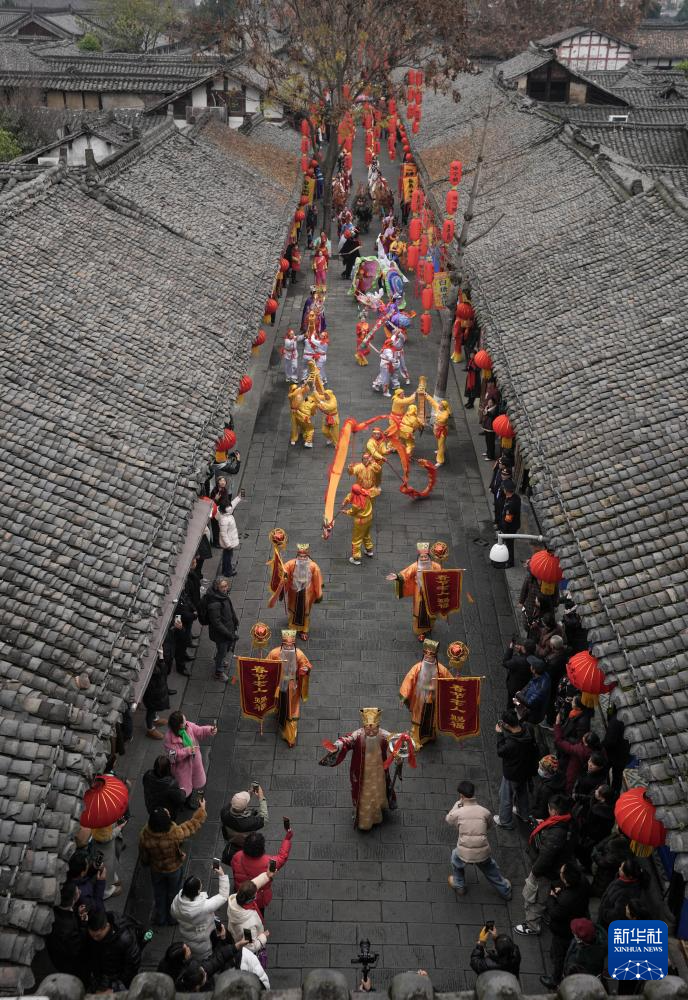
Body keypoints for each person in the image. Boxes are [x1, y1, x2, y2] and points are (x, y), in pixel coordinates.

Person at [319, 707, 398, 831]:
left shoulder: (383, 735)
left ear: (378, 727)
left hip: (379, 771)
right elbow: (347, 740)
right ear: (364, 727)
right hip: (362, 772)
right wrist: (339, 745)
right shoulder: (358, 735)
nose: (371, 732)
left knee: (378, 789)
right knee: (364, 793)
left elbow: (395, 740)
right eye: (368, 729)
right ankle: (365, 821)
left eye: (374, 729)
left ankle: (378, 810)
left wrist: (402, 744)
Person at [138, 800, 207, 926]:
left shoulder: (145, 835)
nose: (168, 812)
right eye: (167, 813)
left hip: (157, 869)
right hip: (174, 868)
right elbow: (191, 825)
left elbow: (144, 855)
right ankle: (173, 918)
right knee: (174, 893)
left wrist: (146, 863)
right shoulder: (174, 833)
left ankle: (160, 918)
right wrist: (201, 810)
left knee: (159, 893)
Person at [515, 794, 574, 937]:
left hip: (544, 871)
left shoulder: (556, 834)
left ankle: (532, 925)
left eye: (549, 808)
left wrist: (535, 872)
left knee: (534, 897)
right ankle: (544, 914)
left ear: (554, 811)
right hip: (555, 869)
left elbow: (546, 857)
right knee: (544, 894)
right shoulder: (566, 822)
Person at [446, 780, 511, 900]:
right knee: (491, 869)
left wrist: (457, 804)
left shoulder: (458, 812)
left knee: (455, 858)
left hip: (463, 852)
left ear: (461, 795)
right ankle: (505, 891)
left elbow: (449, 819)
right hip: (482, 852)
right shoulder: (485, 812)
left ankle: (459, 885)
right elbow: (489, 826)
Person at [540, 862, 591, 988]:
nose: (560, 872)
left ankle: (555, 979)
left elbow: (554, 913)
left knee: (560, 954)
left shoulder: (565, 900)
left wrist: (552, 897)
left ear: (566, 878)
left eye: (562, 872)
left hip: (563, 929)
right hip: (578, 917)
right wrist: (562, 890)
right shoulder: (583, 882)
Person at [170, 864, 231, 960]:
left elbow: (173, 913)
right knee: (206, 957)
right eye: (200, 884)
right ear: (198, 891)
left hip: (188, 936)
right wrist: (222, 875)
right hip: (203, 940)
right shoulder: (204, 906)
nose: (202, 884)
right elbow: (223, 896)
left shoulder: (177, 901)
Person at [399, 639, 452, 747]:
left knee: (431, 720)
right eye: (426, 655)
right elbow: (409, 680)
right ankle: (417, 738)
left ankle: (430, 736)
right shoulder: (417, 668)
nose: (428, 657)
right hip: (420, 698)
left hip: (434, 699)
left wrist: (456, 682)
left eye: (431, 655)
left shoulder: (441, 670)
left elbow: (450, 681)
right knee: (419, 719)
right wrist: (404, 696)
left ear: (435, 656)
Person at [265, 629, 312, 747]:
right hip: (278, 684)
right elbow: (266, 665)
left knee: (291, 711)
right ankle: (278, 710)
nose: (288, 647)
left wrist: (305, 669)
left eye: (291, 645)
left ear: (294, 644)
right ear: (282, 643)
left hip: (292, 687)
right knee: (278, 702)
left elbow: (306, 665)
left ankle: (290, 737)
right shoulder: (275, 653)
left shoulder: (299, 654)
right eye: (286, 644)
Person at [386, 542, 442, 640]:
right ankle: (421, 632)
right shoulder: (415, 566)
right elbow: (406, 573)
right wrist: (397, 576)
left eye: (425, 557)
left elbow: (442, 577)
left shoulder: (436, 566)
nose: (423, 559)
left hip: (432, 593)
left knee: (432, 612)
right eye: (421, 557)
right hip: (419, 593)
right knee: (419, 613)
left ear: (429, 558)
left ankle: (429, 628)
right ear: (418, 558)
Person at [494, 709, 539, 829]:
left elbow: (500, 751)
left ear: (507, 725)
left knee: (505, 796)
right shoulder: (528, 729)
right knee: (522, 791)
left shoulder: (511, 744)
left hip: (513, 772)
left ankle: (505, 821)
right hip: (526, 769)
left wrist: (499, 734)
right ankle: (523, 813)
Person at [231, 827, 293, 913]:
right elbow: (282, 857)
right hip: (259, 897)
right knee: (259, 912)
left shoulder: (237, 856)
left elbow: (234, 869)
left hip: (240, 890)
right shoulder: (269, 862)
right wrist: (287, 839)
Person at [164, 710, 217, 808]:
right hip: (182, 769)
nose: (186, 721)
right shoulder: (169, 738)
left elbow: (199, 730)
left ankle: (191, 800)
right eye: (184, 721)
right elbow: (172, 756)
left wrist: (209, 730)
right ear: (179, 725)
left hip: (195, 763)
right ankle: (185, 802)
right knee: (184, 788)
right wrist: (187, 751)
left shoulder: (188, 726)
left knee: (195, 783)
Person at [84, 909, 141, 992]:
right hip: (101, 975)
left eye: (98, 936)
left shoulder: (125, 938)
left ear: (107, 926)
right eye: (92, 936)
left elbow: (132, 966)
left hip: (117, 979)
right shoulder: (93, 930)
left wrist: (115, 987)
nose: (95, 939)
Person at [280, 542, 323, 640]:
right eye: (300, 556)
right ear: (297, 555)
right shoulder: (291, 564)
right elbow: (284, 571)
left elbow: (317, 580)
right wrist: (281, 572)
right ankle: (292, 627)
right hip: (294, 592)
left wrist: (318, 594)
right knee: (292, 609)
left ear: (307, 556)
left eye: (304, 556)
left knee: (305, 612)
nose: (302, 558)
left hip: (307, 593)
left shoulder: (313, 566)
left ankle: (304, 630)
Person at [45, 881, 87, 978]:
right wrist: (83, 923)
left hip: (55, 952)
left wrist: (76, 911)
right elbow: (78, 945)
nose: (80, 891)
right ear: (73, 899)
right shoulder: (69, 929)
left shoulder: (53, 909)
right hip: (68, 963)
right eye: (78, 891)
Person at [205, 576, 239, 681]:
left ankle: (220, 660)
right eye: (222, 587)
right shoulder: (214, 603)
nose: (225, 588)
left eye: (226, 586)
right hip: (221, 634)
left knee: (225, 649)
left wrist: (235, 620)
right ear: (217, 588)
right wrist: (228, 634)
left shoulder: (223, 596)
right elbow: (216, 623)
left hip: (228, 628)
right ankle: (218, 672)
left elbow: (230, 609)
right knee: (222, 651)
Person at [227, 872, 271, 952]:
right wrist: (263, 937)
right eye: (255, 894)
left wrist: (266, 875)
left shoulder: (236, 900)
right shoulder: (248, 927)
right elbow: (250, 947)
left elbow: (253, 885)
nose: (256, 893)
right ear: (250, 899)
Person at [574, 784, 615, 866]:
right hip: (598, 835)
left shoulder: (598, 812)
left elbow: (590, 824)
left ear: (602, 798)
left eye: (597, 791)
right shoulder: (609, 804)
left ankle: (585, 864)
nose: (595, 791)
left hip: (591, 837)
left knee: (584, 852)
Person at [598, 858, 645, 929]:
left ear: (629, 876)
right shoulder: (621, 879)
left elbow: (616, 915)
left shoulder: (626, 894)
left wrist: (603, 912)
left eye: (622, 869)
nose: (619, 868)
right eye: (620, 866)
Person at [554, 723, 602, 794]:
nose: (582, 737)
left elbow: (559, 742)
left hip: (575, 772)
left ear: (586, 744)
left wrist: (557, 725)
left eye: (584, 738)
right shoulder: (599, 750)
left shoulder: (579, 750)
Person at [342, 483, 380, 565]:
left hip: (360, 522)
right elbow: (352, 494)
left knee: (356, 539)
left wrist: (346, 512)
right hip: (369, 518)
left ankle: (356, 558)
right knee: (366, 534)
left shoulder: (356, 504)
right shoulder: (366, 493)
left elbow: (352, 512)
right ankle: (369, 550)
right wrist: (346, 499)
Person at [590, 829, 632, 897]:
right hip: (606, 876)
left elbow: (606, 862)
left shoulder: (617, 844)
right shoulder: (617, 839)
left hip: (606, 878)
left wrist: (596, 856)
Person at [143, 754, 187, 820]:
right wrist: (183, 791)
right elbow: (181, 798)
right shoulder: (170, 784)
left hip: (152, 807)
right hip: (167, 812)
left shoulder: (147, 775)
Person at [67, 848, 106, 915]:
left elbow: (82, 877)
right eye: (87, 864)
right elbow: (98, 909)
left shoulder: (70, 874)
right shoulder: (83, 897)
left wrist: (94, 868)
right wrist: (101, 882)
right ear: (82, 873)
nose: (89, 864)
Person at [143, 648, 170, 741]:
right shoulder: (150, 671)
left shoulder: (155, 666)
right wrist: (161, 658)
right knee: (151, 710)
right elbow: (162, 671)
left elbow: (163, 670)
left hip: (157, 692)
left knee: (153, 710)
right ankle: (150, 729)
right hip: (152, 695)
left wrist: (161, 658)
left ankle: (155, 719)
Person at [513, 658, 550, 725]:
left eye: (531, 665)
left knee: (525, 724)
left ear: (534, 670)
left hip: (532, 714)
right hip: (531, 708)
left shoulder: (540, 689)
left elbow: (529, 703)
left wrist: (518, 694)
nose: (530, 665)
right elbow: (530, 684)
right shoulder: (543, 675)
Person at [502, 638, 537, 709]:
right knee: (518, 702)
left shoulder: (517, 661)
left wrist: (510, 649)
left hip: (514, 687)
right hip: (525, 686)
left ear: (524, 649)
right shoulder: (535, 659)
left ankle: (510, 712)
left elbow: (505, 663)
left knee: (511, 703)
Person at [530, 754, 565, 822]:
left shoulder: (546, 789)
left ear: (546, 772)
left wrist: (531, 812)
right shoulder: (558, 777)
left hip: (540, 817)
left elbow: (542, 811)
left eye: (541, 768)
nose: (539, 769)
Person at [216, 494, 242, 578]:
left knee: (226, 556)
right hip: (229, 542)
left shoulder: (225, 513)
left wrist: (238, 498)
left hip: (230, 540)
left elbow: (232, 505)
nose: (230, 507)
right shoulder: (224, 520)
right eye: (228, 506)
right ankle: (228, 571)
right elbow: (223, 534)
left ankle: (225, 569)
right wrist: (228, 545)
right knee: (228, 557)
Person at [498, 479, 521, 568]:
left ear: (506, 490)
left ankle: (510, 562)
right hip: (514, 525)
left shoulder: (511, 505)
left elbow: (508, 520)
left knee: (509, 544)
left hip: (510, 528)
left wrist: (503, 530)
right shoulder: (516, 497)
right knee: (507, 543)